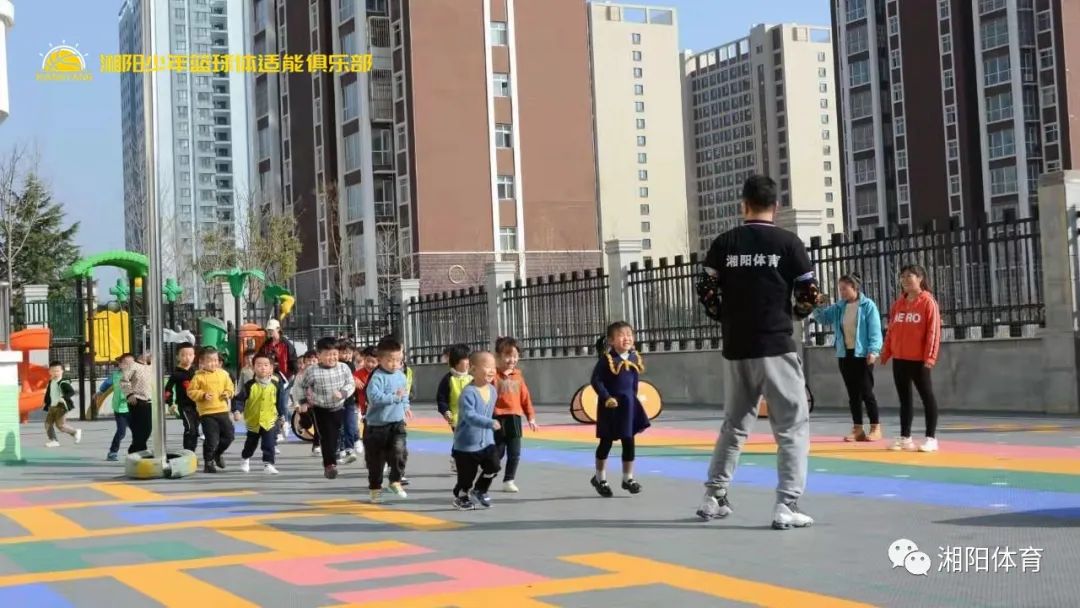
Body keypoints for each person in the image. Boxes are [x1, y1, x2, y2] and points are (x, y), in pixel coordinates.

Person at [694, 174, 818, 530]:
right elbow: (809, 294)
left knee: (734, 425)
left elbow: (706, 291)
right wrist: (792, 314)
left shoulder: (725, 243)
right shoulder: (789, 244)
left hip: (736, 348)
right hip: (776, 345)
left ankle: (714, 496)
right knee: (792, 427)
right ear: (775, 207)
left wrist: (723, 316)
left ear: (743, 204)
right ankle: (787, 504)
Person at [811, 273, 884, 442]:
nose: (841, 292)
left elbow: (875, 331)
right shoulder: (839, 307)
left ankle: (875, 427)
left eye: (844, 288)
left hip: (863, 354)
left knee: (866, 391)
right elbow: (822, 318)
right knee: (853, 394)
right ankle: (857, 428)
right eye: (840, 289)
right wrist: (818, 305)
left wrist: (874, 351)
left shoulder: (868, 306)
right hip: (845, 354)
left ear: (854, 287)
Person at [880, 264, 942, 453]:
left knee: (927, 397)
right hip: (900, 359)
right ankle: (905, 437)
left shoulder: (928, 302)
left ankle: (931, 438)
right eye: (903, 276)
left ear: (920, 278)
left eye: (910, 276)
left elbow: (933, 332)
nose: (906, 279)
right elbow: (892, 331)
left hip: (919, 360)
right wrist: (886, 352)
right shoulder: (898, 304)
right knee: (904, 400)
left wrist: (929, 358)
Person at [589, 322, 648, 497]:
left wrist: (634, 401)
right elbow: (596, 381)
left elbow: (634, 384)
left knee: (629, 441)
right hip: (610, 407)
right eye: (621, 335)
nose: (627, 338)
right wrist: (607, 397)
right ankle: (600, 478)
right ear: (611, 340)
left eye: (629, 334)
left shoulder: (633, 358)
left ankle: (628, 478)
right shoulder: (607, 360)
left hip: (628, 406)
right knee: (606, 442)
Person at [363, 336, 413, 502]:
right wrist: (394, 398)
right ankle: (375, 489)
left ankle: (395, 480)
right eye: (390, 360)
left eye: (398, 360)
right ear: (380, 360)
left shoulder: (401, 375)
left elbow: (403, 394)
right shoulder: (377, 377)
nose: (395, 364)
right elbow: (374, 398)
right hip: (377, 427)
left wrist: (406, 406)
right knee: (376, 462)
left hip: (397, 423)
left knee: (400, 452)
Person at [299, 337, 356, 479]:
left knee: (336, 435)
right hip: (320, 409)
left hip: (339, 407)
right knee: (326, 437)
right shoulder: (312, 371)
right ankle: (329, 465)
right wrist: (304, 401)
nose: (332, 357)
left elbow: (351, 384)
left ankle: (336, 454)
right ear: (319, 355)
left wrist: (343, 393)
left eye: (335, 354)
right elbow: (302, 386)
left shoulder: (344, 368)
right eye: (328, 354)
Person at [451, 351, 502, 510]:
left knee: (494, 466)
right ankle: (462, 496)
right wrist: (489, 422)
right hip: (466, 445)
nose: (492, 370)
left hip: (487, 442)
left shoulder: (492, 390)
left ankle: (480, 489)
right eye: (487, 367)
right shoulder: (468, 393)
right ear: (473, 370)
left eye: (494, 367)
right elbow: (469, 416)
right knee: (466, 477)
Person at [492, 337, 538, 493]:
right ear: (498, 356)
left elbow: (525, 398)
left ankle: (509, 480)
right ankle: (487, 471)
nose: (511, 359)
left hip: (514, 418)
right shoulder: (493, 376)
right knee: (498, 452)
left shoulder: (518, 376)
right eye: (507, 355)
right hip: (496, 419)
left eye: (515, 356)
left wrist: (530, 417)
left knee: (515, 453)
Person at [236, 354, 289, 475]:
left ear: (271, 368)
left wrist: (282, 417)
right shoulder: (249, 385)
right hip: (253, 420)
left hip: (270, 419)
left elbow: (280, 402)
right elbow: (239, 399)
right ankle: (245, 458)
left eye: (266, 365)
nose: (263, 368)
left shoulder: (276, 384)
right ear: (253, 368)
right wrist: (237, 410)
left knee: (269, 443)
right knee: (251, 443)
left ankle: (268, 464)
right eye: (259, 365)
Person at [186, 347, 236, 473]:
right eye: (210, 361)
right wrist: (202, 395)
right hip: (207, 413)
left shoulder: (223, 374)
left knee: (229, 435)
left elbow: (230, 387)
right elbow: (191, 392)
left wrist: (228, 393)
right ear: (202, 362)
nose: (213, 363)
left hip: (222, 410)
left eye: (215, 360)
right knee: (211, 439)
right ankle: (208, 462)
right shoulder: (198, 377)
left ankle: (218, 454)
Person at [436, 343, 472, 473]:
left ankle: (466, 458)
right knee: (461, 437)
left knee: (471, 437)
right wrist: (445, 411)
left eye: (469, 359)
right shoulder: (448, 379)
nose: (468, 362)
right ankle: (456, 459)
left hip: (472, 415)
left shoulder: (472, 377)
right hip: (455, 416)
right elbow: (441, 398)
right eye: (465, 359)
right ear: (456, 362)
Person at [164, 343, 199, 453]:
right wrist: (170, 404)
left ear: (194, 356)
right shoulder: (176, 374)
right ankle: (188, 452)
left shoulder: (197, 372)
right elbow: (168, 390)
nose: (187, 357)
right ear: (177, 357)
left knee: (195, 430)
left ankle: (191, 451)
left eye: (190, 354)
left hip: (198, 405)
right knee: (189, 428)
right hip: (184, 405)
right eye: (183, 355)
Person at [119, 353, 153, 454]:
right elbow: (124, 380)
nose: (151, 355)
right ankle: (139, 451)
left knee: (148, 429)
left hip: (149, 401)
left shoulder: (152, 366)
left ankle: (135, 449)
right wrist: (129, 394)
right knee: (139, 430)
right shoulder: (134, 366)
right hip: (137, 401)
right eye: (148, 352)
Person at [43, 361, 81, 447]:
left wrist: (63, 398)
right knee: (47, 424)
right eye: (53, 371)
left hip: (61, 407)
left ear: (62, 371)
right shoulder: (51, 382)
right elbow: (49, 393)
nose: (55, 373)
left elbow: (71, 392)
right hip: (52, 406)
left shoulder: (63, 382)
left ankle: (75, 432)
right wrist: (46, 402)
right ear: (50, 372)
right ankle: (54, 440)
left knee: (60, 425)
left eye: (57, 371)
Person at [291, 351, 321, 456]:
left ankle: (316, 445)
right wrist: (297, 403)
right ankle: (301, 423)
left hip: (318, 403)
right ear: (304, 362)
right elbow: (295, 390)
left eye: (314, 360)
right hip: (304, 403)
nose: (311, 363)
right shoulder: (300, 375)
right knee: (307, 423)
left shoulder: (322, 373)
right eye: (309, 361)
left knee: (318, 426)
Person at [336, 339, 361, 464]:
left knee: (350, 424)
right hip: (337, 402)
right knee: (339, 426)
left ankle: (349, 448)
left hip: (349, 401)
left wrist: (357, 400)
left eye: (350, 353)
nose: (347, 355)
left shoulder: (351, 365)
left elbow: (353, 383)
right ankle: (340, 449)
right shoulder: (336, 365)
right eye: (344, 353)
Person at [95, 364, 127, 460]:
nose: (126, 364)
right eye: (123, 362)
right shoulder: (115, 375)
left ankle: (138, 451)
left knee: (140, 432)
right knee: (121, 432)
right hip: (120, 408)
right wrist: (100, 392)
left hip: (134, 408)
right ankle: (113, 452)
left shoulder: (135, 373)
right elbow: (106, 384)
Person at [257, 318, 299, 384]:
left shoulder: (286, 344)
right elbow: (259, 357)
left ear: (278, 329)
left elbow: (293, 360)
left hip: (284, 377)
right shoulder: (266, 344)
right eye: (268, 330)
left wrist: (295, 374)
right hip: (268, 376)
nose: (269, 331)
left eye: (271, 330)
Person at [234, 352, 255, 422]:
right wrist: (237, 392)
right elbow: (240, 382)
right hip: (247, 393)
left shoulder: (259, 368)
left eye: (251, 358)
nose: (249, 360)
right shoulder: (244, 370)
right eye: (247, 358)